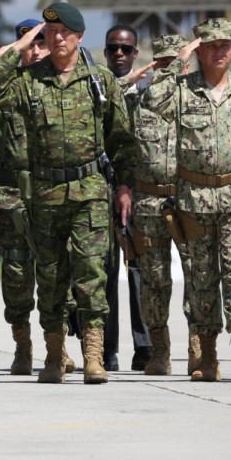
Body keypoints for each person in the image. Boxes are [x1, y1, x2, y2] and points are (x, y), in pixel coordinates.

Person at [0, 4, 134, 384]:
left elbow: (122, 142)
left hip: (91, 193)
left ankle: (94, 356)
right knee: (49, 279)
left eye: (65, 31)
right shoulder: (27, 81)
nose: (57, 36)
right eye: (50, 31)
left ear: (80, 37)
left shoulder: (101, 81)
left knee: (91, 275)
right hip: (45, 196)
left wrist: (125, 188)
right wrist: (17, 48)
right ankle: (52, 354)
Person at [143, 18, 231, 383]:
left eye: (226, 45)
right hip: (194, 198)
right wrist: (178, 59)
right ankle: (207, 357)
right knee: (202, 278)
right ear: (199, 50)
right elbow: (151, 100)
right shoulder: (181, 89)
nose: (220, 51)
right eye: (211, 45)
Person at [0, 18, 77, 376]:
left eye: (40, 43)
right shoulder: (0, 91)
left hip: (53, 193)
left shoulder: (61, 87)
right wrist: (4, 56)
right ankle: (22, 346)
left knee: (57, 277)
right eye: (28, 45)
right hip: (12, 199)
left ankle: (60, 345)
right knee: (17, 278)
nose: (35, 50)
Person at [129, 34, 201, 375]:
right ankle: (159, 351)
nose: (169, 68)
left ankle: (199, 348)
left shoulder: (200, 101)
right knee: (155, 280)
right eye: (162, 62)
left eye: (176, 61)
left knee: (197, 276)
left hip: (189, 200)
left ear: (186, 63)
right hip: (148, 201)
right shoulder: (138, 101)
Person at [92, 24, 153, 372]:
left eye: (125, 49)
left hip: (140, 192)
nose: (119, 54)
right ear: (105, 52)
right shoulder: (95, 85)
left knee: (140, 272)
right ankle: (108, 348)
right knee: (104, 272)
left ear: (135, 53)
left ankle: (144, 345)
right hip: (101, 189)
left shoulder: (150, 89)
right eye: (113, 48)